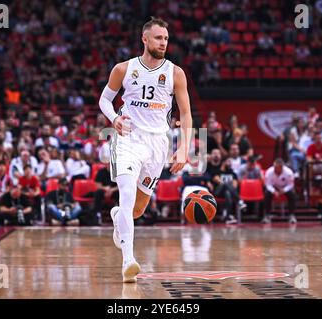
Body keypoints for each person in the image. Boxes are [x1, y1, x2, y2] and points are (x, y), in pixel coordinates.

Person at [98, 17, 192, 282]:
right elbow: (105, 99)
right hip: (128, 137)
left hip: (158, 142)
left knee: (136, 210)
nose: (163, 42)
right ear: (145, 39)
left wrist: (184, 147)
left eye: (166, 38)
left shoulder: (175, 73)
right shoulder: (123, 69)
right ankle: (129, 261)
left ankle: (118, 217)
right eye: (158, 37)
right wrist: (114, 118)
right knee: (126, 194)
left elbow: (185, 114)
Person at [263, 159, 297, 224]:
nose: (276, 169)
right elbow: (268, 184)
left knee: (292, 194)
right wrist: (273, 191)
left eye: (278, 168)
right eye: (275, 167)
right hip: (273, 187)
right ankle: (267, 215)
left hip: (284, 187)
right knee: (267, 193)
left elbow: (291, 185)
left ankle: (291, 215)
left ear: (282, 167)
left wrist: (284, 190)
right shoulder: (269, 172)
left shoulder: (289, 172)